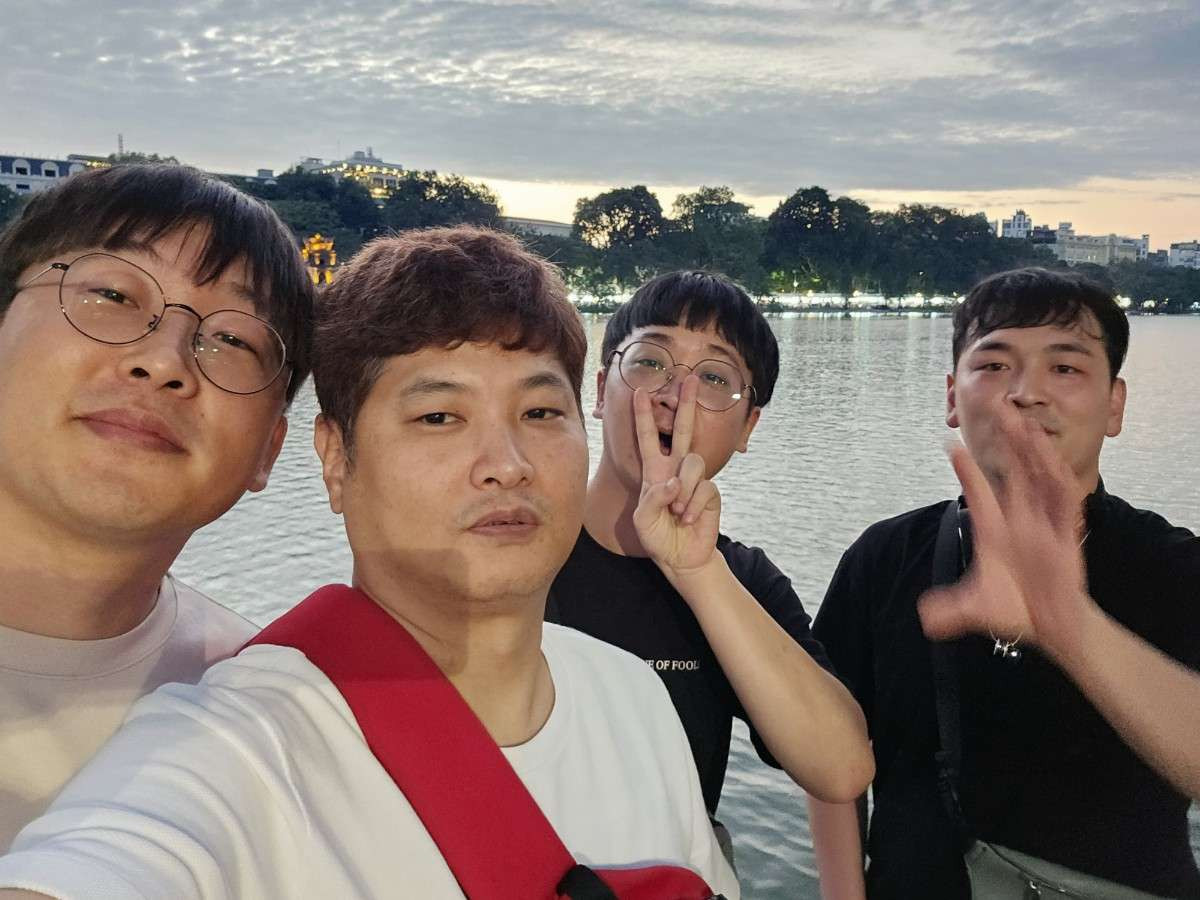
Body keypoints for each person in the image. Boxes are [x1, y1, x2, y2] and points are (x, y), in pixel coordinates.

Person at [0, 228, 739, 899]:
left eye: (540, 413)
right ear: (335, 458)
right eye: (438, 417)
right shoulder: (240, 748)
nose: (507, 464)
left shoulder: (630, 693)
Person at [809, 267, 1200, 898]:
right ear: (951, 396)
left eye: (1065, 368)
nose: (1026, 392)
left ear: (1115, 404)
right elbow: (831, 753)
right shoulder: (885, 558)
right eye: (993, 365)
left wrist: (1069, 625)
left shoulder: (1174, 567)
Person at [0, 164, 314, 850]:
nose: (165, 361)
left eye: (232, 340)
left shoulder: (264, 715)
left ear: (269, 449)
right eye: (112, 294)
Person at [546, 270, 873, 856]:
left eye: (716, 378)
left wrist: (697, 573)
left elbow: (841, 769)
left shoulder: (742, 582)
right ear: (598, 391)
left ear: (748, 427)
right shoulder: (519, 553)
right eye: (650, 362)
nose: (677, 396)